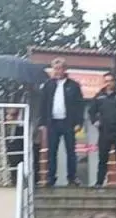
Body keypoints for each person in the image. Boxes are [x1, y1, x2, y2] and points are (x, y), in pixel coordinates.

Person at [40, 57, 84, 187]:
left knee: (70, 151)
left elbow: (79, 105)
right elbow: (43, 104)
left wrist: (79, 122)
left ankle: (72, 177)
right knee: (52, 151)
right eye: (55, 69)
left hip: (68, 122)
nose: (57, 71)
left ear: (65, 69)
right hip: (53, 123)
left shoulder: (74, 85)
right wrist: (42, 123)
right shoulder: (48, 85)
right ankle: (51, 178)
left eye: (59, 68)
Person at [88, 72, 116, 188]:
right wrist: (95, 121)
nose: (108, 83)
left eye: (111, 81)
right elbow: (91, 111)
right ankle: (99, 182)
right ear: (104, 83)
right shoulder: (99, 97)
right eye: (106, 81)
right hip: (104, 132)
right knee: (103, 158)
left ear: (114, 82)